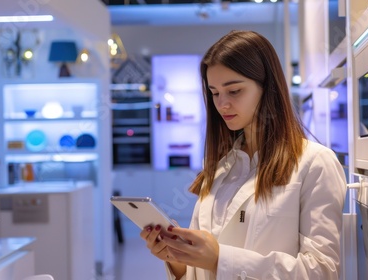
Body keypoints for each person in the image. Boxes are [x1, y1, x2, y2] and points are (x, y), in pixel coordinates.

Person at [140, 30, 347, 280]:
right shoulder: (219, 168)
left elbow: (323, 271)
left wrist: (220, 260)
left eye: (234, 91)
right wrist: (177, 260)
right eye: (215, 93)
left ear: (267, 87)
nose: (222, 104)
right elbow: (200, 270)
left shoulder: (315, 163)